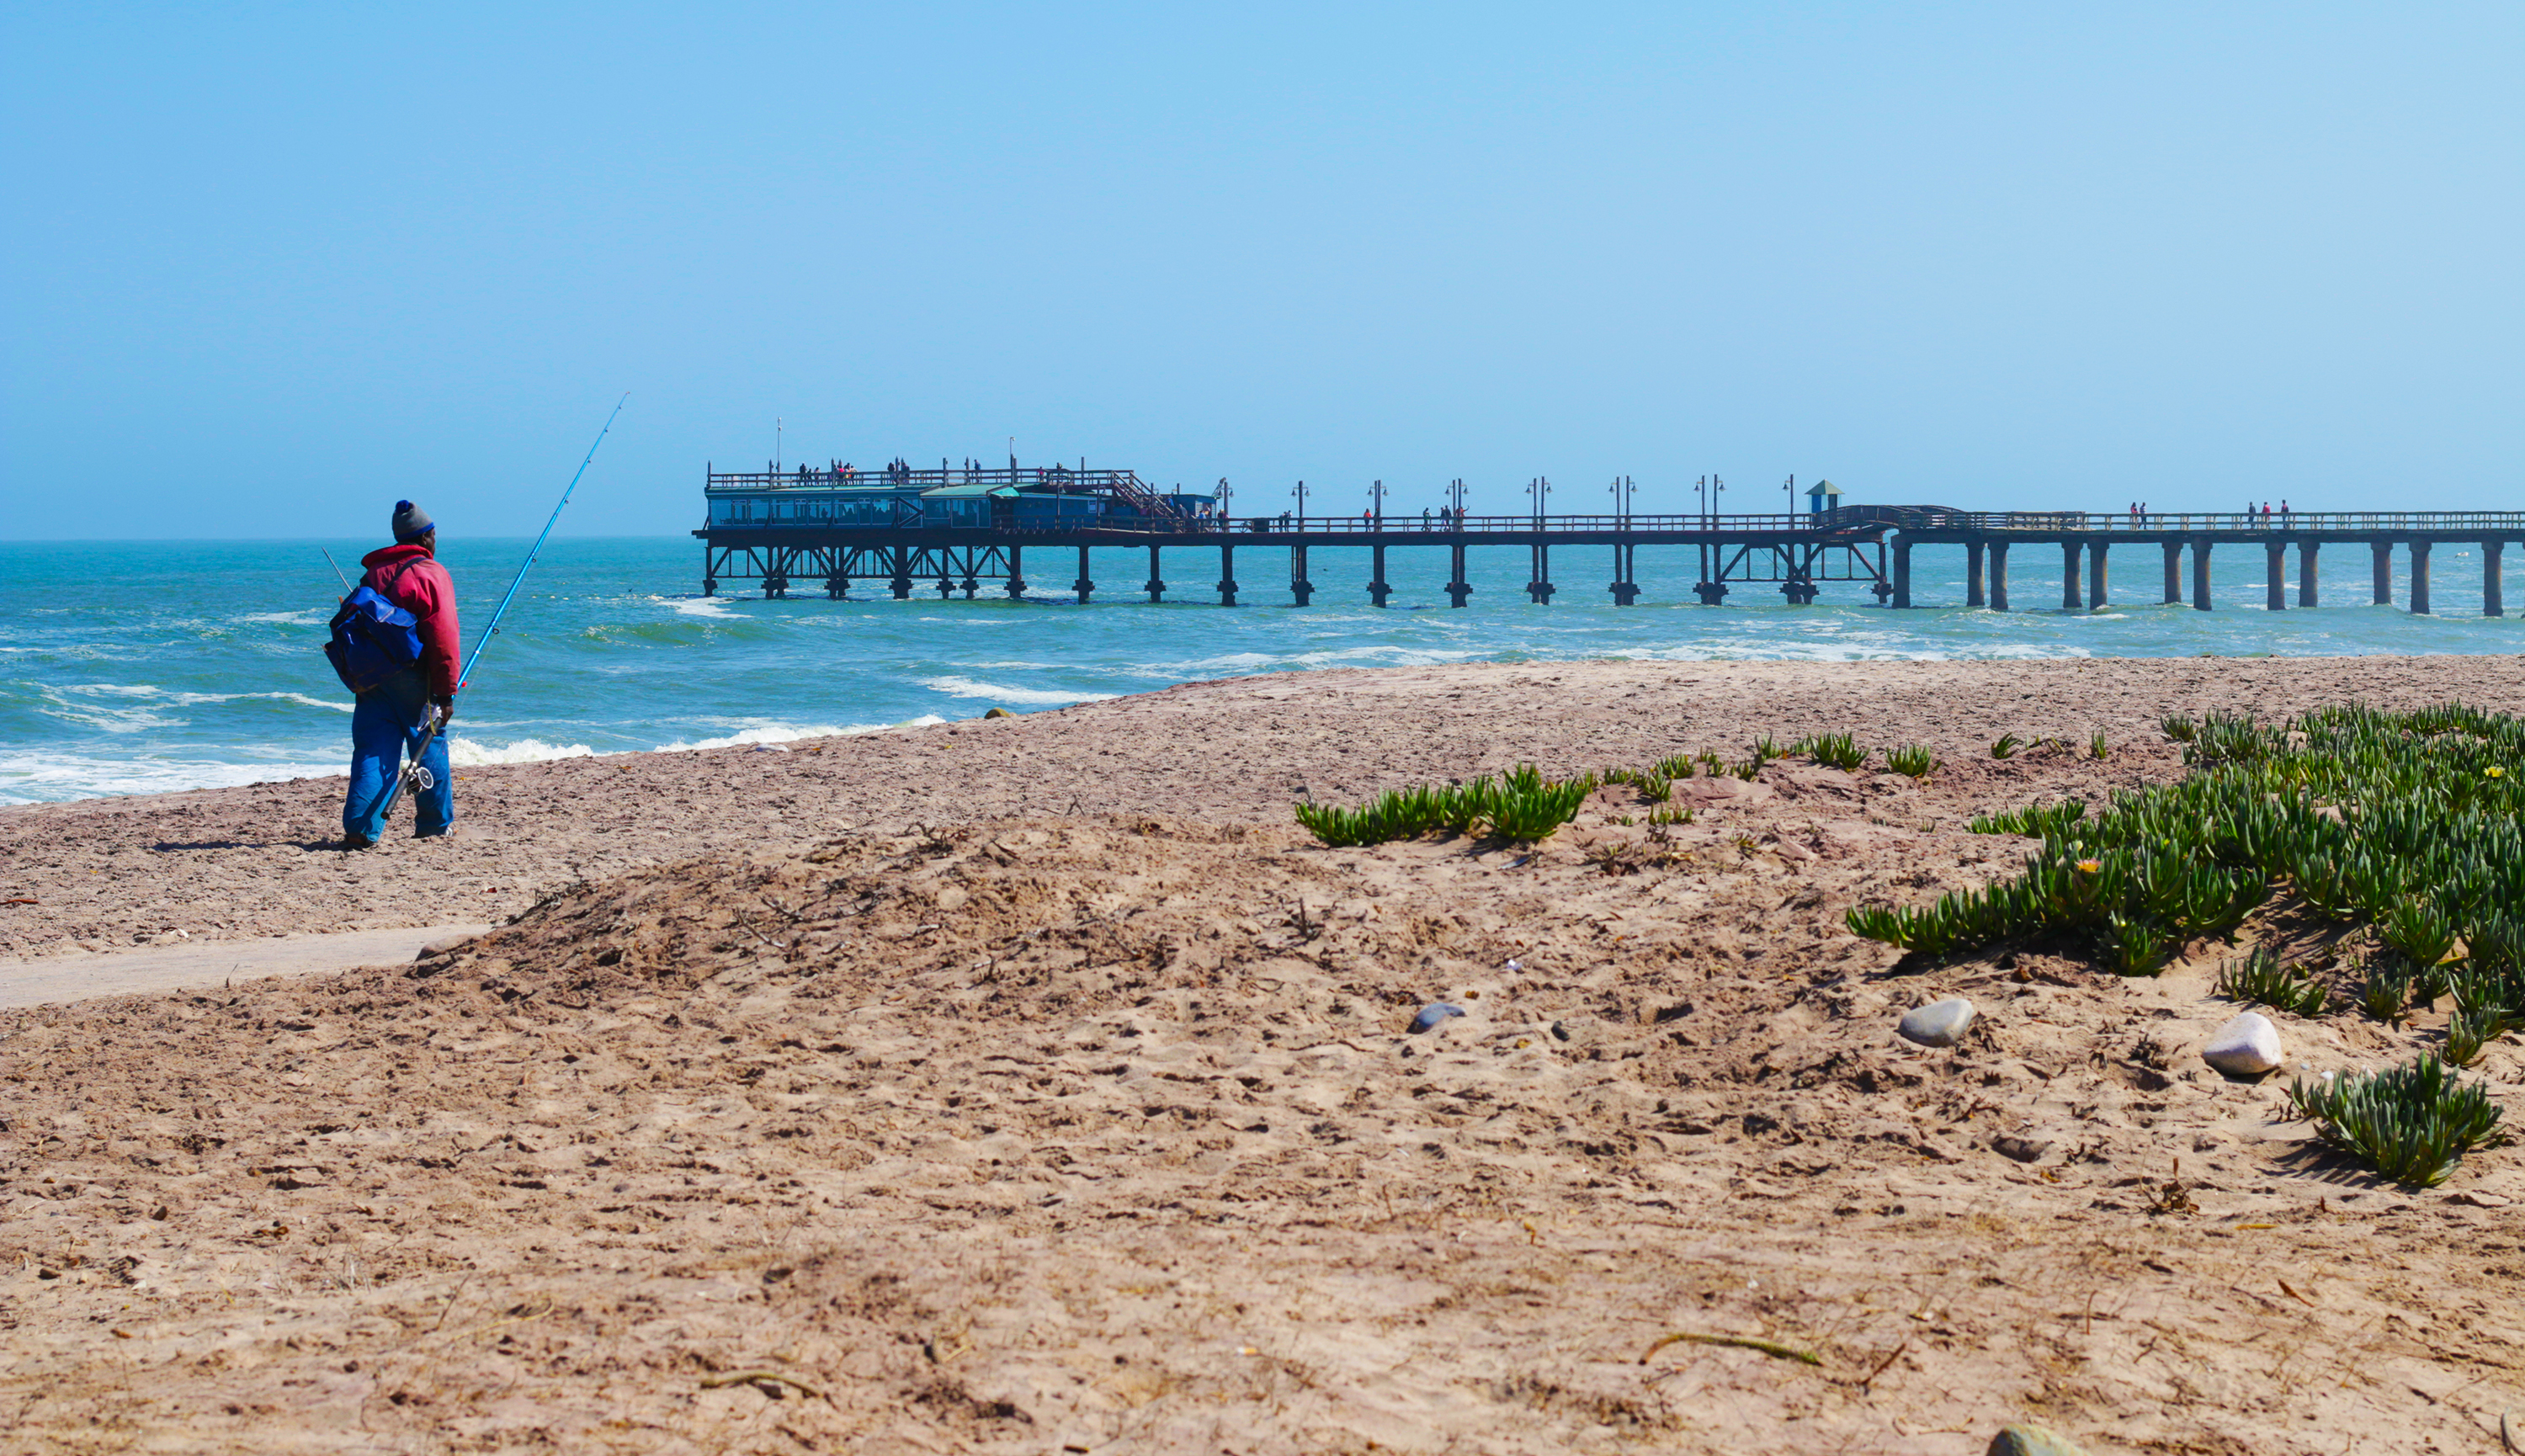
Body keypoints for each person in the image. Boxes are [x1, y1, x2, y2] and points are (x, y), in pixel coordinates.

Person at [343, 500, 461, 848]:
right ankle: (434, 825)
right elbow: (443, 635)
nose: (435, 541)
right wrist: (446, 693)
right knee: (429, 744)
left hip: (372, 677)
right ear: (425, 537)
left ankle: (360, 829)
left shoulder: (373, 573)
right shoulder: (430, 572)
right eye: (434, 535)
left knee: (372, 750)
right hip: (416, 678)